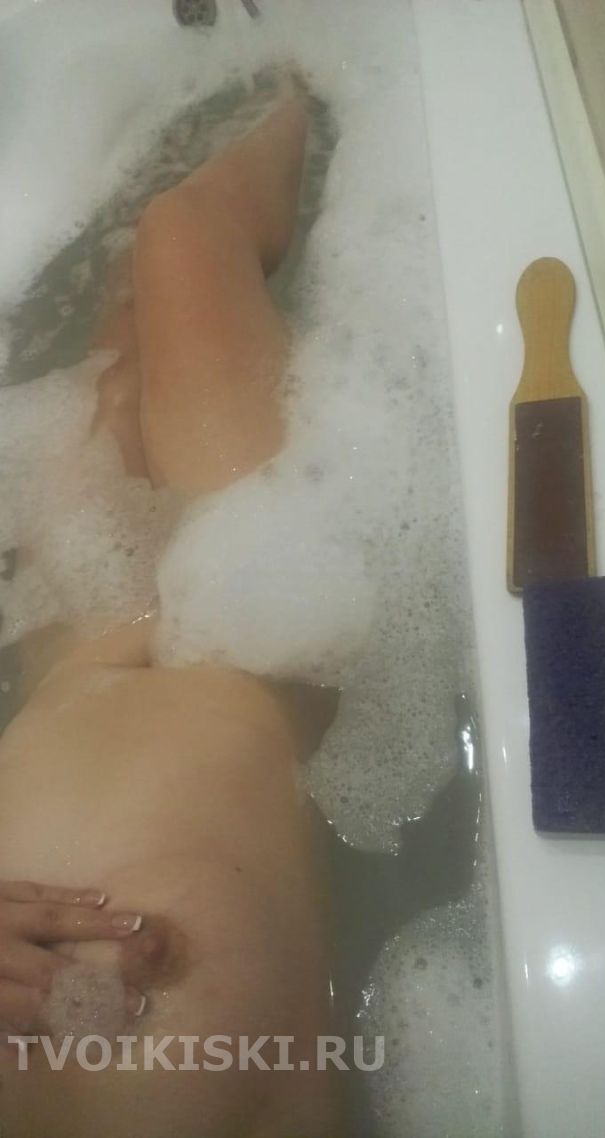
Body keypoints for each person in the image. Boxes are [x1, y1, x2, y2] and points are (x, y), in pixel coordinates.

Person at [0, 86, 346, 1137]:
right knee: (184, 238)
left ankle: (279, 84)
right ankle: (307, 82)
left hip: (71, 672)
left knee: (120, 338)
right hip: (251, 649)